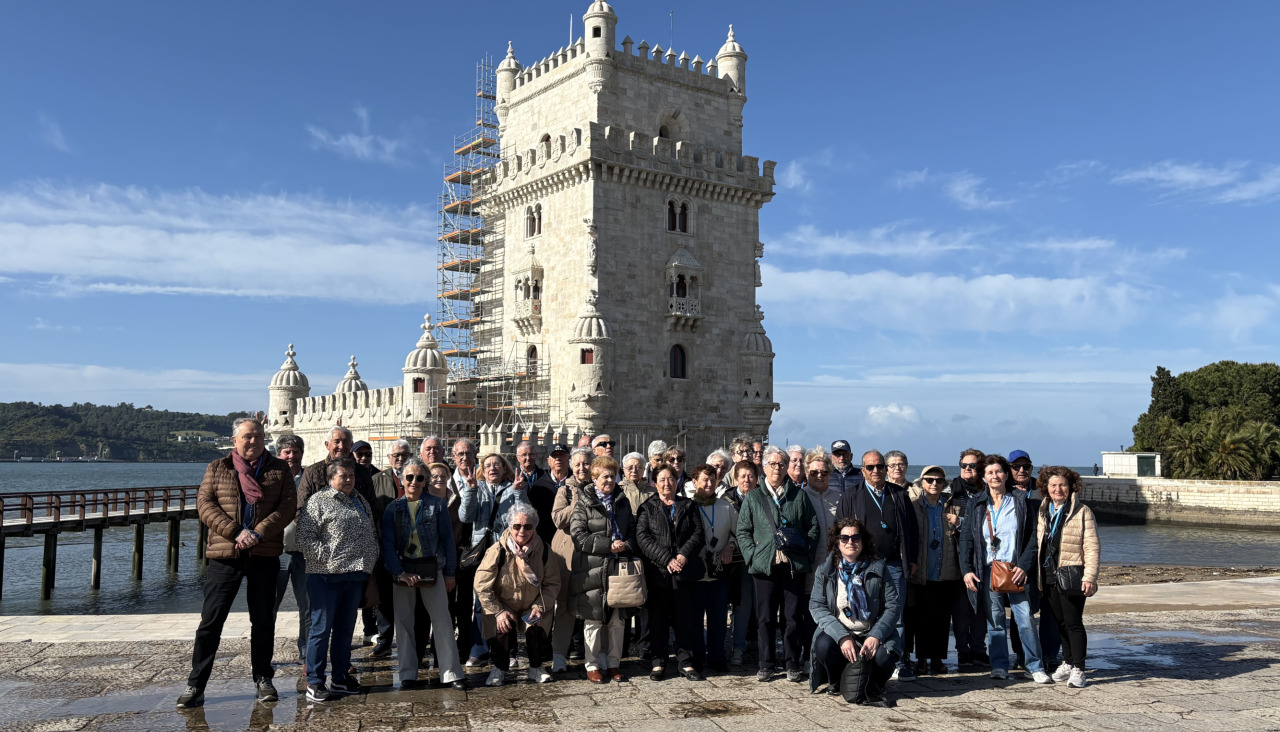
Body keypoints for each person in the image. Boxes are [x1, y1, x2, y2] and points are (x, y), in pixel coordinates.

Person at [177, 417, 296, 709]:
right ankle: (196, 683)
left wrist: (257, 533)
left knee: (264, 620)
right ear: (235, 441)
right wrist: (236, 532)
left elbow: (287, 507)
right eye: (247, 437)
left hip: (263, 553)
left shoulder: (278, 469)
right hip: (225, 555)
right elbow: (205, 505)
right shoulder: (218, 468)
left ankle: (263, 679)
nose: (253, 441)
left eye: (257, 436)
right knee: (211, 622)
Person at [958, 454, 1052, 684]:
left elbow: (1033, 538)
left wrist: (1024, 565)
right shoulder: (977, 503)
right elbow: (966, 539)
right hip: (989, 570)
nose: (995, 476)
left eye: (998, 471)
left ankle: (1034, 666)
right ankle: (999, 666)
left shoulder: (1020, 500)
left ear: (1006, 474)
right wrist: (966, 570)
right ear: (983, 477)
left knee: (1025, 620)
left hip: (1016, 570)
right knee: (996, 622)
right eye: (989, 472)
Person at [296, 457, 380, 702]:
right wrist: (329, 559)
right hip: (326, 576)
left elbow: (370, 531)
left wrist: (370, 556)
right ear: (330, 479)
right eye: (343, 476)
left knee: (345, 630)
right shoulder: (318, 501)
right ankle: (314, 681)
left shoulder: (359, 499)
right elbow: (304, 538)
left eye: (351, 475)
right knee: (321, 630)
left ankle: (341, 677)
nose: (349, 479)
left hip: (355, 575)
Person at [379, 457, 466, 690]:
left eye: (419, 477)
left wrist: (449, 573)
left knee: (443, 620)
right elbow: (387, 544)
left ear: (425, 480)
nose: (414, 481)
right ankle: (408, 673)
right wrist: (398, 573)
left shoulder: (436, 505)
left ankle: (450, 671)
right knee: (404, 622)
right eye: (410, 477)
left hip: (432, 568)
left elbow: (448, 540)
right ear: (402, 479)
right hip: (403, 569)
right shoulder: (393, 508)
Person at [736, 445, 819, 683]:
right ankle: (766, 664)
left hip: (792, 566)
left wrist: (807, 555)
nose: (777, 468)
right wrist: (753, 556)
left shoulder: (798, 495)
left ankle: (791, 663)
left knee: (792, 617)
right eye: (773, 464)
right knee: (765, 618)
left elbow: (813, 528)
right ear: (765, 467)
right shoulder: (754, 496)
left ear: (787, 468)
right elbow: (743, 531)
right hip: (765, 567)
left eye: (782, 464)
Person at [836, 449, 918, 682]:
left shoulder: (899, 495)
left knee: (896, 615)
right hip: (862, 566)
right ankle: (864, 659)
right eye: (870, 467)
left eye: (880, 466)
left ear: (886, 469)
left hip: (893, 564)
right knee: (863, 614)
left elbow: (912, 531)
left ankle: (897, 661)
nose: (876, 471)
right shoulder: (851, 495)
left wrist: (911, 560)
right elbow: (840, 530)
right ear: (862, 470)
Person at [808, 517, 900, 707]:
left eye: (856, 538)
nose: (850, 542)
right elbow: (817, 605)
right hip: (842, 632)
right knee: (823, 645)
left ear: (863, 541)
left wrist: (876, 635)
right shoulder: (826, 571)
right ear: (837, 541)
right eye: (844, 538)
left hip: (870, 630)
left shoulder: (879, 568)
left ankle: (874, 684)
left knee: (887, 655)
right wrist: (842, 637)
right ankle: (835, 681)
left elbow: (893, 606)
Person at [476, 502, 562, 686]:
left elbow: (552, 583)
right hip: (504, 603)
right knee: (503, 625)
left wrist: (540, 606)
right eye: (517, 526)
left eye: (527, 526)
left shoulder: (544, 550)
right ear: (510, 526)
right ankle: (499, 668)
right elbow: (481, 585)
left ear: (534, 528)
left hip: (532, 603)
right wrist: (497, 611)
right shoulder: (497, 550)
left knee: (537, 625)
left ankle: (536, 667)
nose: (522, 530)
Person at [570, 456, 637, 683]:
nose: (610, 480)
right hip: (593, 568)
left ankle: (614, 664)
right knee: (594, 619)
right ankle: (592, 665)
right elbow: (578, 535)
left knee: (618, 620)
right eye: (605, 476)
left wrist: (624, 545)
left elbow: (632, 530)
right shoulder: (584, 502)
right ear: (595, 478)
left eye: (613, 475)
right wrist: (608, 546)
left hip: (619, 568)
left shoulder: (622, 501)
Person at [636, 464, 706, 681]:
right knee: (658, 621)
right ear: (655, 483)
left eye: (671, 479)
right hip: (658, 574)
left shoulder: (688, 505)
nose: (667, 483)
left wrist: (683, 555)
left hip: (684, 573)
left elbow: (697, 532)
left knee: (685, 620)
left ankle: (686, 662)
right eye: (662, 479)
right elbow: (643, 537)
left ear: (677, 482)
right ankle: (658, 662)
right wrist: (665, 558)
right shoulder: (647, 507)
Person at [1036, 466, 1099, 689]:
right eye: (1053, 485)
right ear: (1046, 488)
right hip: (1049, 575)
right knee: (1059, 622)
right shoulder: (1044, 510)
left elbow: (1091, 547)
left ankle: (1079, 669)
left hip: (1072, 574)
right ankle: (1068, 661)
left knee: (1073, 623)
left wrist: (1090, 576)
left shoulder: (1082, 511)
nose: (1057, 489)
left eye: (1062, 484)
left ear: (1071, 486)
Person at [1007, 449, 1058, 671]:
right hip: (1019, 561)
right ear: (1009, 469)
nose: (1021, 471)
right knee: (1021, 611)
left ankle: (1049, 654)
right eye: (1016, 467)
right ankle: (1021, 654)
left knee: (1051, 609)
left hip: (1047, 559)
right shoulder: (1005, 492)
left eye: (1025, 467)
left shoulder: (1042, 491)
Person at [909, 465, 962, 676]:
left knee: (942, 617)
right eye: (929, 480)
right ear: (921, 482)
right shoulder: (913, 506)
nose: (934, 484)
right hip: (922, 570)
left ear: (944, 484)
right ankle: (921, 658)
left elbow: (966, 532)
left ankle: (938, 658)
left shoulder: (951, 506)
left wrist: (959, 523)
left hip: (946, 569)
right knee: (921, 617)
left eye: (939, 480)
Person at [368, 439, 415, 657]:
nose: (399, 458)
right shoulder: (376, 480)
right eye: (395, 455)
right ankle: (384, 641)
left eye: (404, 454)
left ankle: (413, 641)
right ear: (388, 458)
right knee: (386, 597)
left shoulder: (417, 478)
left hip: (413, 548)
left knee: (413, 595)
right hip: (384, 546)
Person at [690, 463, 738, 673]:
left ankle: (717, 657)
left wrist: (730, 545)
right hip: (696, 573)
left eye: (712, 480)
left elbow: (740, 533)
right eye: (704, 480)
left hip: (720, 571)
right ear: (695, 482)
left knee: (718, 618)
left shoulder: (727, 506)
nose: (709, 484)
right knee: (695, 619)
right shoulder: (688, 506)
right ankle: (697, 657)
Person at [550, 445, 591, 671]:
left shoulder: (599, 487)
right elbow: (557, 520)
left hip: (592, 555)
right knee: (564, 607)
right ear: (571, 467)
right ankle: (559, 656)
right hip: (566, 555)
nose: (582, 468)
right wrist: (576, 503)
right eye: (577, 464)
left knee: (591, 606)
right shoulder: (564, 490)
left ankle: (593, 657)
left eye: (586, 463)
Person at [272, 434, 310, 667]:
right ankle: (264, 652)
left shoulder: (309, 479)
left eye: (295, 451)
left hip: (305, 553)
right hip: (276, 553)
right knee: (270, 605)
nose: (291, 456)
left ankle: (306, 652)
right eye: (286, 452)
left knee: (307, 606)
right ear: (279, 454)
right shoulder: (271, 479)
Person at [949, 448, 987, 668]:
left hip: (981, 557)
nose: (967, 469)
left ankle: (979, 650)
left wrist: (961, 522)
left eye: (972, 466)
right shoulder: (951, 490)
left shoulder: (987, 491)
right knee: (961, 608)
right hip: (956, 556)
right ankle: (963, 650)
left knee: (979, 608)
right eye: (963, 465)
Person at [726, 460, 758, 667]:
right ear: (735, 478)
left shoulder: (763, 498)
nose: (747, 479)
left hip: (756, 559)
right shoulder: (726, 499)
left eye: (751, 476)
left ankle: (746, 645)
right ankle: (733, 646)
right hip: (732, 560)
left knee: (751, 604)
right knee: (737, 605)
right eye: (743, 476)